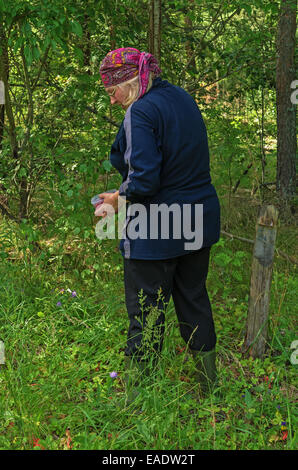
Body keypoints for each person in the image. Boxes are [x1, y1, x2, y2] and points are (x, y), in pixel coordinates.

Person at [97, 47, 220, 400]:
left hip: (157, 226)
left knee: (147, 309)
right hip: (198, 219)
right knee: (193, 297)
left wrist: (117, 199)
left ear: (130, 82)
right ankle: (208, 388)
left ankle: (139, 399)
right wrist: (126, 189)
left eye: (112, 92)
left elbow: (145, 180)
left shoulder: (140, 111)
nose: (113, 100)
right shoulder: (180, 97)